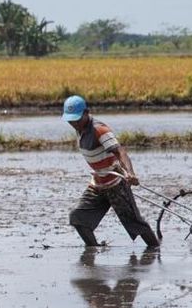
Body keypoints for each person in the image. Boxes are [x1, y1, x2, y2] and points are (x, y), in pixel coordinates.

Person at [63, 95, 160, 248]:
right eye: (70, 120)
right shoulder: (80, 128)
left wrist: (130, 173)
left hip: (115, 183)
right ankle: (93, 250)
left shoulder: (99, 130)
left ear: (86, 112)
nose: (74, 123)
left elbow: (120, 151)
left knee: (135, 223)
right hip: (98, 183)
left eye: (76, 119)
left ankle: (155, 250)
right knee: (77, 217)